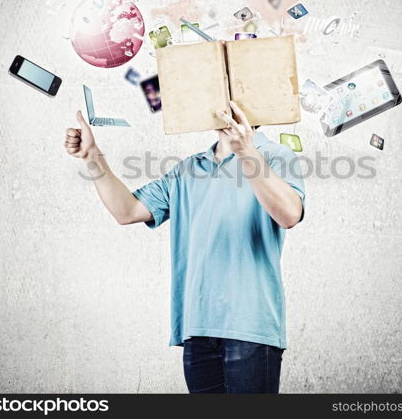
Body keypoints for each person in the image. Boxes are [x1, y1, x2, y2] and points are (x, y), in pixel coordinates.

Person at [64, 100, 305, 393]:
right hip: (197, 328)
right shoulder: (188, 169)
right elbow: (126, 211)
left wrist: (246, 152)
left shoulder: (277, 156)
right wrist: (92, 157)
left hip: (251, 329)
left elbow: (290, 214)